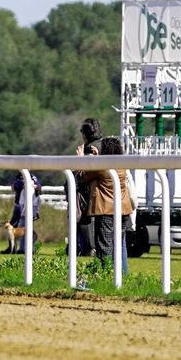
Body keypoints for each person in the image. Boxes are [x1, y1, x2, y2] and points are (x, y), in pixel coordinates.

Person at [77, 135, 135, 288]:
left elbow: (82, 176)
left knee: (104, 246)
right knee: (119, 245)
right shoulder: (122, 165)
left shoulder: (102, 166)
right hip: (123, 210)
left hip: (106, 210)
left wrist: (83, 158)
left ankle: (105, 278)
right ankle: (121, 278)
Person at [74, 117, 102, 255]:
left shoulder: (88, 149)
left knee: (84, 219)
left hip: (89, 191)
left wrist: (79, 160)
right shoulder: (102, 145)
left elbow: (84, 174)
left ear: (85, 134)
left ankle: (89, 247)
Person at [3, 171, 40, 254]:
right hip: (19, 205)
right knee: (14, 227)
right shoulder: (18, 177)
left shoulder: (31, 177)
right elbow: (14, 187)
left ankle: (25, 249)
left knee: (25, 228)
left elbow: (38, 187)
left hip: (27, 206)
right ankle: (13, 248)